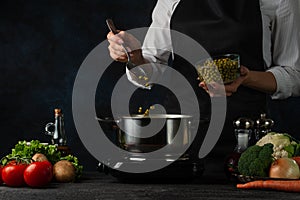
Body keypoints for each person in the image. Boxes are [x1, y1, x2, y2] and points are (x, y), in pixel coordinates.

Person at [107, 0, 300, 175]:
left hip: (243, 137)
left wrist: (246, 77)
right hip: (180, 138)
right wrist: (135, 58)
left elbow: (294, 74)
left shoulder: (280, 1)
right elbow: (152, 68)